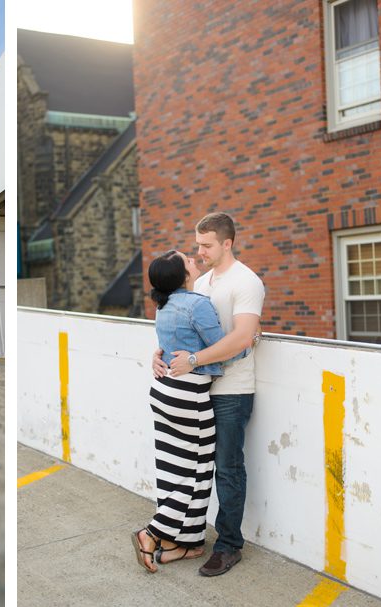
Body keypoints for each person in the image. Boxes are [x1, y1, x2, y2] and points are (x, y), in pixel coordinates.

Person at [153, 212, 265, 577]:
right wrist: (158, 354)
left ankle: (229, 544)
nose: (198, 251)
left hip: (232, 390)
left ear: (227, 243)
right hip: (196, 390)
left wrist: (196, 359)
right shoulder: (200, 283)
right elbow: (183, 329)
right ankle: (187, 538)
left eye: (206, 245)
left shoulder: (246, 282)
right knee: (193, 467)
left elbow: (244, 336)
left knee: (227, 468)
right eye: (197, 245)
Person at [131, 250, 236, 573]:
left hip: (163, 392)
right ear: (183, 275)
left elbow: (168, 346)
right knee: (196, 474)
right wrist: (250, 338)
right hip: (189, 395)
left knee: (173, 470)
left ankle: (185, 543)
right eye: (188, 259)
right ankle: (152, 534)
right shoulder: (197, 304)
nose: (194, 259)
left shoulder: (164, 307)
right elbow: (224, 350)